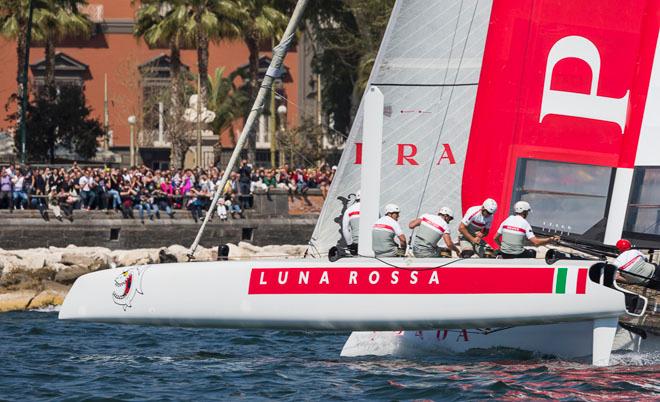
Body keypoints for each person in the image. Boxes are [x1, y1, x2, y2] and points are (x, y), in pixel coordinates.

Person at [494, 201, 559, 258]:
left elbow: (495, 238)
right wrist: (550, 239)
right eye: (527, 212)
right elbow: (536, 242)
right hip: (517, 254)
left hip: (504, 254)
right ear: (524, 212)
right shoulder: (525, 223)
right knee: (533, 252)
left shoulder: (506, 220)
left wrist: (502, 247)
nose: (527, 214)